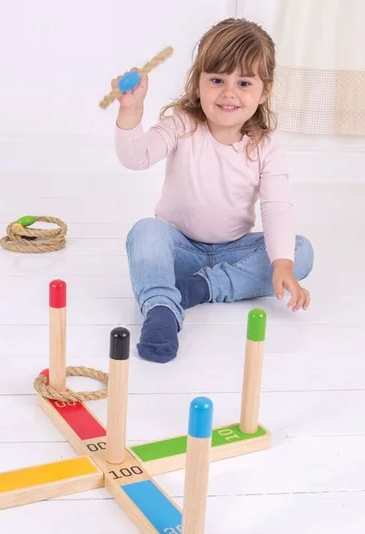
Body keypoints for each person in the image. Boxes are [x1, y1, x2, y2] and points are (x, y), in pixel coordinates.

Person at [112, 18, 314, 364]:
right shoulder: (182, 124)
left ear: (264, 91)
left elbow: (277, 207)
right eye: (217, 80)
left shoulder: (265, 147)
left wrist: (281, 263)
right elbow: (136, 158)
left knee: (300, 251)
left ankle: (200, 287)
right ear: (198, 82)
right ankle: (161, 308)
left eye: (244, 83)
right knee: (145, 232)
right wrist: (131, 111)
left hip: (233, 252)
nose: (229, 93)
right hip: (180, 248)